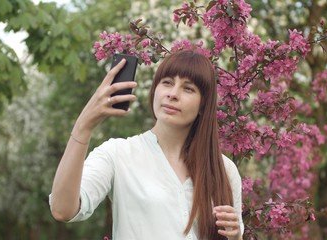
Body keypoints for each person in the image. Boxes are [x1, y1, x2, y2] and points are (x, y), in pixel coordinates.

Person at [50, 50, 244, 240]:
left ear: (203, 104)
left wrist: (235, 238)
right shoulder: (118, 154)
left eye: (188, 88)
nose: (173, 94)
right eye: (167, 83)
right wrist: (84, 125)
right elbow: (62, 209)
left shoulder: (223, 170)